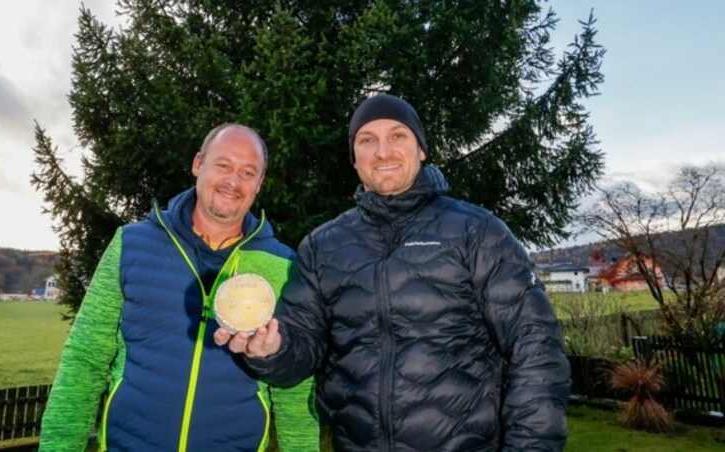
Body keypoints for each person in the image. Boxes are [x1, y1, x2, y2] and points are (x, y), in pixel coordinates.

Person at [215, 94, 571, 451]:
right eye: (367, 140)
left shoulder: (477, 233)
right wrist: (271, 349)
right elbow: (299, 352)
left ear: (421, 150)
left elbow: (535, 347)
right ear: (355, 159)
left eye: (398, 136)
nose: (382, 152)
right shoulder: (323, 246)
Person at [40, 124, 319, 451]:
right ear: (198, 163)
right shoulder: (131, 244)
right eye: (223, 165)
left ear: (259, 184)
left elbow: (295, 388)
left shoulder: (282, 265)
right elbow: (85, 359)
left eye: (248, 172)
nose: (233, 181)